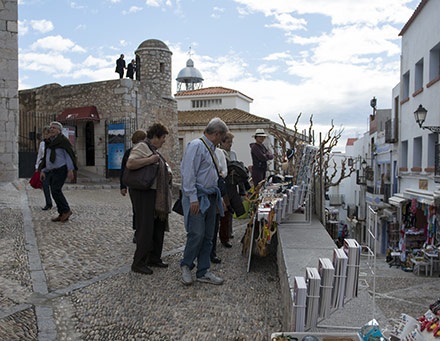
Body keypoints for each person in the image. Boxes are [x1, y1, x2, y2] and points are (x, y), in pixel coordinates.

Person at [180, 117, 228, 286]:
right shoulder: (196, 146)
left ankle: (203, 271)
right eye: (222, 138)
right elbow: (188, 174)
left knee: (208, 236)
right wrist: (192, 198)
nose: (222, 141)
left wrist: (219, 198)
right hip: (198, 198)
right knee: (196, 234)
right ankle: (186, 265)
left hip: (211, 197)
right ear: (216, 134)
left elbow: (213, 177)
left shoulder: (212, 149)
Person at [126, 123, 172, 275]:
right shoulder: (142, 147)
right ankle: (138, 263)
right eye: (163, 138)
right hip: (143, 193)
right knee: (145, 228)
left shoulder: (152, 149)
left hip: (154, 194)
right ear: (156, 136)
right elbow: (130, 163)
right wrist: (150, 160)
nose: (164, 141)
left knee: (157, 226)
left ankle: (153, 258)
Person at [38, 121, 77, 222]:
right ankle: (62, 213)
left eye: (54, 128)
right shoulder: (49, 142)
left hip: (61, 169)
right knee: (54, 191)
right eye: (51, 128)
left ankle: (66, 210)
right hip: (52, 170)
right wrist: (43, 170)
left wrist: (70, 170)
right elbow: (47, 158)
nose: (51, 129)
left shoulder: (63, 141)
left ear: (59, 131)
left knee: (56, 190)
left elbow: (68, 156)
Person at [120, 129, 147, 243]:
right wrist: (123, 186)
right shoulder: (134, 152)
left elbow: (123, 170)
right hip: (139, 183)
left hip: (135, 184)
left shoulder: (129, 151)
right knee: (139, 210)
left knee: (137, 209)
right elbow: (124, 169)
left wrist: (123, 186)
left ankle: (139, 232)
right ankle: (139, 232)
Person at [210, 145, 228, 264]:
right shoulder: (200, 149)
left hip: (215, 192)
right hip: (202, 193)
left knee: (214, 224)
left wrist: (220, 175)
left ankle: (212, 252)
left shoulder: (220, 153)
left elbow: (224, 172)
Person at [35, 126, 53, 210]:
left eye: (47, 134)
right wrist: (37, 166)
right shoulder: (42, 143)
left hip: (52, 166)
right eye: (44, 134)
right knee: (45, 185)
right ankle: (48, 203)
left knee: (53, 186)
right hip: (44, 166)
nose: (46, 136)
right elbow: (39, 155)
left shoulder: (53, 143)